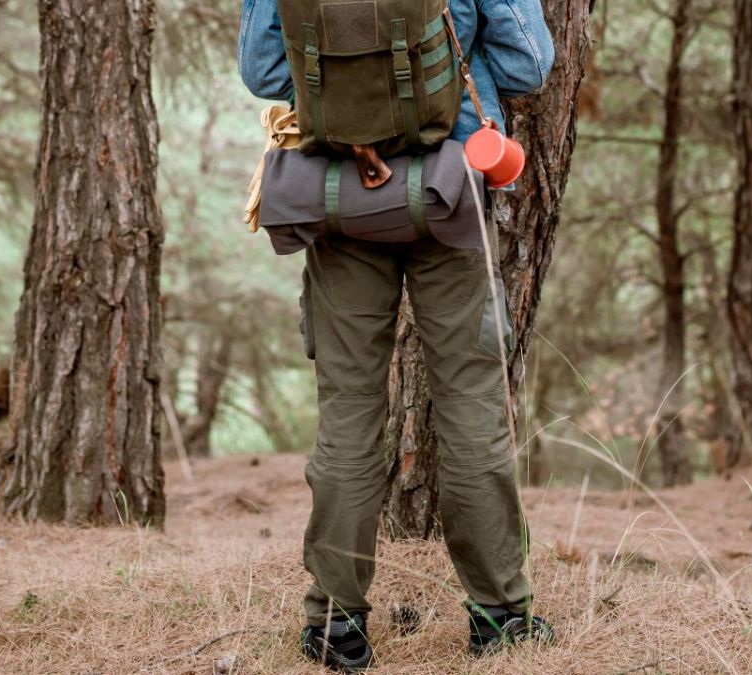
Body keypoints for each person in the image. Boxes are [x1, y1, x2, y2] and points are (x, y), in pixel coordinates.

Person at [238, 0, 556, 670]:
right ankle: (499, 617)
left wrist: (349, 96)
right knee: (471, 405)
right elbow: (531, 61)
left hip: (335, 197)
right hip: (451, 187)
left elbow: (264, 73)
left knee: (350, 413)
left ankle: (336, 625)